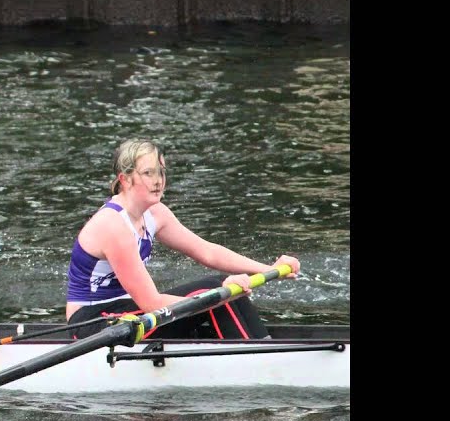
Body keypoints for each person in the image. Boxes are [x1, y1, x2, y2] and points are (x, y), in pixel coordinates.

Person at [65, 139, 300, 340]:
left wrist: (270, 268)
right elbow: (151, 303)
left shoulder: (155, 213)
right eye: (148, 173)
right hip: (92, 324)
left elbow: (207, 252)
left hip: (128, 314)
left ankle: (258, 348)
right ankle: (255, 359)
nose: (158, 181)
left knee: (221, 286)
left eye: (161, 172)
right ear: (125, 179)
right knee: (218, 290)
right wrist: (220, 295)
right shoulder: (113, 225)